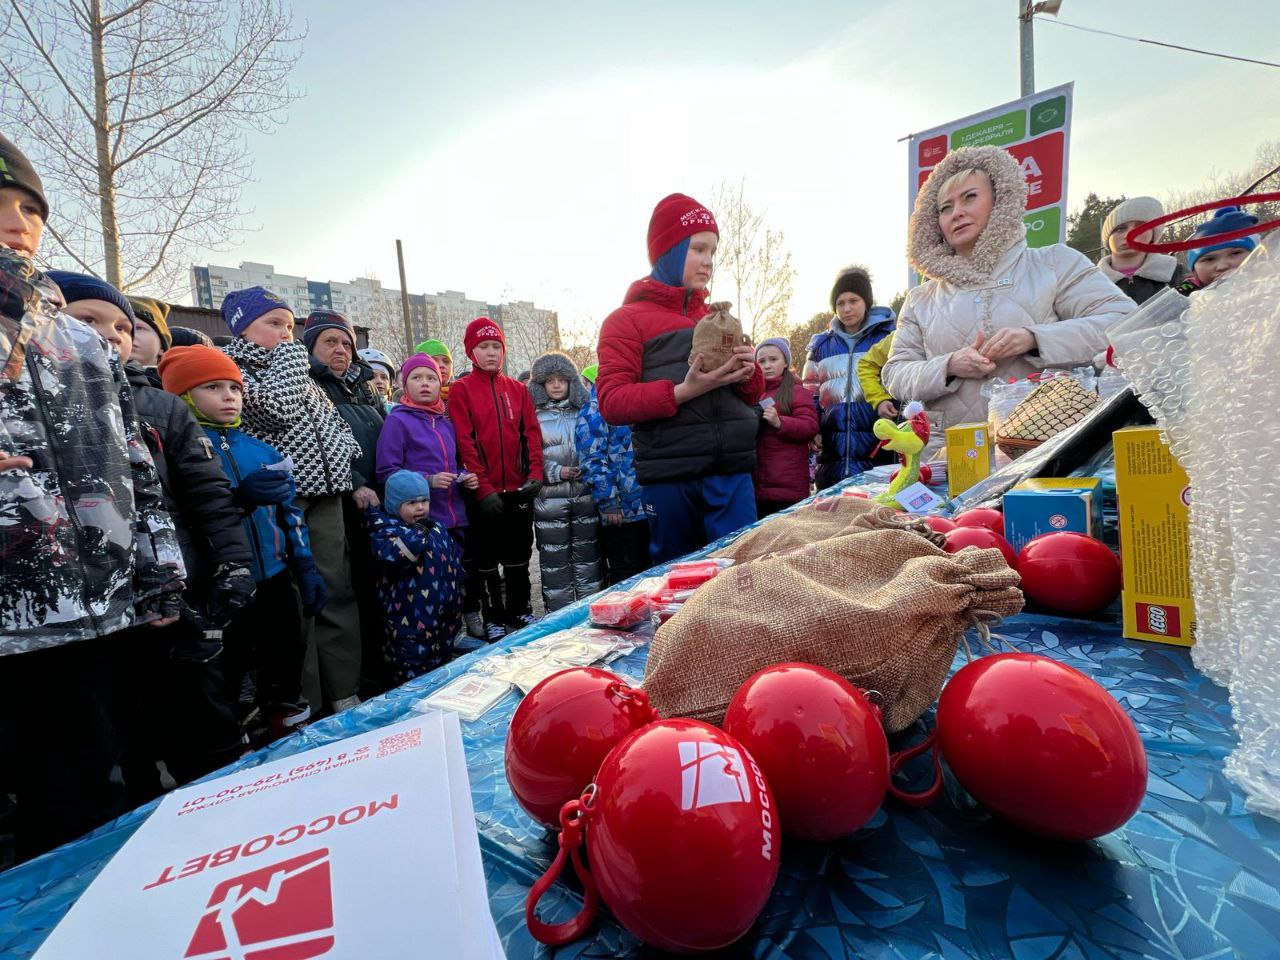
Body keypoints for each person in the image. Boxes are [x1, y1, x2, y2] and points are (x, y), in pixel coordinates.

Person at [0, 133, 184, 860]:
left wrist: (160, 563)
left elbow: (134, 465)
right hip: (10, 620)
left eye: (30, 207)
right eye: (1, 204)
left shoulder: (79, 345)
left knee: (89, 792)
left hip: (98, 613)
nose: (18, 220)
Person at [49, 270, 254, 799]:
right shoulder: (34, 410)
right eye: (87, 319)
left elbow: (208, 498)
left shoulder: (159, 408)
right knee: (115, 751)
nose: (111, 334)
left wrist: (233, 565)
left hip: (172, 601)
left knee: (205, 732)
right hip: (84, 618)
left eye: (122, 325)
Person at [883, 145, 1134, 452]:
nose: (956, 212)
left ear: (1000, 200)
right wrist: (948, 365)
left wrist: (1034, 338)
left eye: (969, 197)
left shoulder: (1053, 264)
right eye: (944, 208)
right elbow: (895, 373)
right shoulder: (921, 298)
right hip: (947, 458)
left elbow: (1123, 322)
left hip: (1047, 449)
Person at [159, 345, 320, 744]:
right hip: (219, 586)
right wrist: (238, 499)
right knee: (229, 672)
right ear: (181, 397)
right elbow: (185, 515)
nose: (229, 396)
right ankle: (238, 745)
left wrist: (306, 566)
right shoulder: (179, 453)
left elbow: (290, 513)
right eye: (212, 387)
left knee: (284, 660)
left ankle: (288, 732)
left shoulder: (262, 451)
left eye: (235, 387)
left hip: (274, 579)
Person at [596, 193, 764, 564]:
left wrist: (749, 373)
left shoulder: (719, 317)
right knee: (680, 587)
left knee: (742, 578)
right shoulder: (625, 321)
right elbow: (612, 401)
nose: (708, 262)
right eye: (698, 249)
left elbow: (750, 397)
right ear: (669, 250)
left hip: (732, 473)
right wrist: (683, 392)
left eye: (713, 252)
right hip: (672, 478)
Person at [220, 287, 364, 715]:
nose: (285, 334)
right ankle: (307, 700)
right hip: (285, 497)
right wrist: (291, 359)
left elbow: (328, 419)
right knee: (302, 600)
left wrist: (345, 450)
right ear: (244, 327)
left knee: (337, 592)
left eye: (288, 325)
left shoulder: (295, 369)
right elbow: (275, 411)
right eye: (274, 324)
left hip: (328, 490)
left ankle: (345, 690)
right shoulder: (237, 368)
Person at [302, 310, 387, 697]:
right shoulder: (308, 387)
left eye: (346, 343)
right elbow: (321, 446)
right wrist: (354, 483)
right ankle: (356, 680)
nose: (340, 350)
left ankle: (381, 664)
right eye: (330, 342)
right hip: (339, 503)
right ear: (311, 348)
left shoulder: (365, 388)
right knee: (346, 589)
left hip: (380, 499)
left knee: (377, 585)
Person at [448, 317, 544, 641]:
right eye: (483, 347)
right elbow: (465, 439)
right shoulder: (462, 389)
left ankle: (520, 609)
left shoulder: (517, 390)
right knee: (487, 560)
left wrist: (535, 475)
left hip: (517, 489)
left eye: (495, 347)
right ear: (471, 351)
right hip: (484, 493)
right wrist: (484, 489)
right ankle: (494, 616)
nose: (491, 353)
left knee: (519, 556)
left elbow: (531, 433)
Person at [375, 354, 481, 635]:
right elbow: (387, 471)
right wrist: (427, 481)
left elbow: (454, 464)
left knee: (455, 577)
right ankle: (433, 639)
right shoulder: (397, 421)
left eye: (431, 378)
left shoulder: (446, 422)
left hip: (455, 516)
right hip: (422, 521)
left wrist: (463, 477)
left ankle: (458, 631)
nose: (425, 384)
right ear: (403, 383)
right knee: (428, 587)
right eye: (417, 378)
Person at [365, 470, 466, 682]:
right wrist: (418, 533)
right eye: (411, 503)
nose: (420, 507)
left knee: (443, 663)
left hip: (442, 614)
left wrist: (459, 582)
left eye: (424, 501)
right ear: (394, 505)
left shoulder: (435, 526)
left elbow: (451, 558)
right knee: (414, 669)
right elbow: (395, 556)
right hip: (410, 619)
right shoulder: (388, 532)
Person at [802, 266, 897, 488]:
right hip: (832, 453)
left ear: (866, 302)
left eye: (853, 301)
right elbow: (811, 393)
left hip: (878, 447)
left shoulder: (888, 339)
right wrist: (813, 427)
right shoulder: (821, 346)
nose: (846, 308)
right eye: (840, 303)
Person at [528, 351, 602, 611]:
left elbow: (594, 446)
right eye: (550, 380)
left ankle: (589, 609)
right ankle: (559, 613)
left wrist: (587, 467)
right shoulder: (533, 416)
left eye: (562, 379)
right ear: (541, 385)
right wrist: (556, 472)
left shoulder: (584, 412)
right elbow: (530, 456)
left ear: (572, 381)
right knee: (554, 557)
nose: (557, 385)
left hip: (584, 495)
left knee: (588, 555)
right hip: (550, 499)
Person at [575, 365, 649, 586]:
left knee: (650, 571)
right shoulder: (594, 410)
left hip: (647, 505)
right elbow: (592, 458)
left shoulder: (636, 400)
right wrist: (609, 502)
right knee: (625, 577)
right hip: (621, 511)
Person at [753, 337, 819, 517]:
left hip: (789, 487)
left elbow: (809, 426)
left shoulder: (798, 392)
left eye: (773, 359)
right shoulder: (752, 394)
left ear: (785, 363)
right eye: (761, 361)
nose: (767, 365)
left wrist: (780, 422)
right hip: (758, 487)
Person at [1097, 197, 1186, 305]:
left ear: (1153, 236)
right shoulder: (1090, 283)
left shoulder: (1177, 274)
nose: (1128, 235)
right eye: (1120, 229)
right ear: (1107, 238)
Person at [1176, 206, 1261, 295]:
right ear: (1194, 270)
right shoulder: (1183, 297)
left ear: (1258, 255)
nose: (1222, 266)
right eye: (1209, 259)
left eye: (1235, 253)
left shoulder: (1272, 284)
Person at [127, 295, 172, 371]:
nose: (126, 334)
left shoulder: (183, 381)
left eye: (139, 328)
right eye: (119, 328)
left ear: (161, 347)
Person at [414, 338, 455, 405]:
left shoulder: (463, 395)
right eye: (434, 361)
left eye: (446, 361)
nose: (441, 365)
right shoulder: (412, 402)